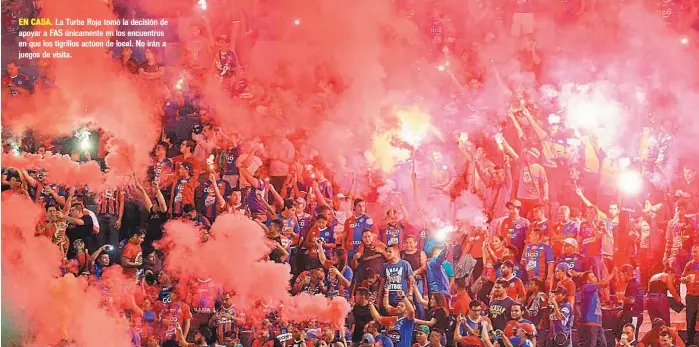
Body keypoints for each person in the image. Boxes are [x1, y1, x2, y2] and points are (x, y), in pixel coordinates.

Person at [581, 269, 616, 347]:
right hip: (590, 323)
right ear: (588, 281)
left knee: (603, 344)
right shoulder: (586, 287)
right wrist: (612, 275)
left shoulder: (594, 291)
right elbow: (603, 283)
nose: (595, 278)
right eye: (593, 277)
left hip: (598, 323)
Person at [680, 244, 699, 345]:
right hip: (691, 295)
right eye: (693, 252)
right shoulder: (689, 264)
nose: (694, 254)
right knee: (690, 318)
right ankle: (690, 341)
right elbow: (682, 279)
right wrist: (685, 279)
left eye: (696, 252)